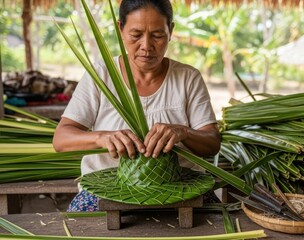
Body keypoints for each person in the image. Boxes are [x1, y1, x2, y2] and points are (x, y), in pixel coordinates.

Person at [53, 0, 221, 212]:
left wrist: (183, 132)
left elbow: (213, 142)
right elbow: (61, 139)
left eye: (158, 35)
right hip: (108, 187)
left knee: (218, 223)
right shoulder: (101, 76)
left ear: (171, 30)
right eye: (136, 34)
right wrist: (102, 137)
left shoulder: (188, 78)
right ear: (120, 29)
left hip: (181, 187)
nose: (146, 46)